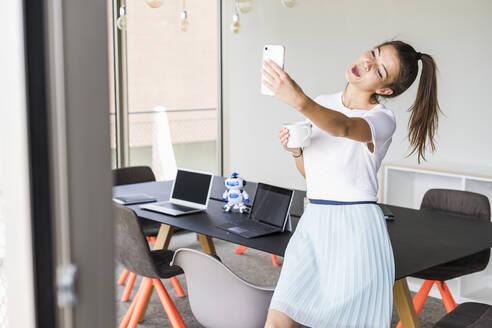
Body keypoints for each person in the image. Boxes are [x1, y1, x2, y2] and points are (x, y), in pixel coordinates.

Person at [262, 40, 442, 327]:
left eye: (380, 71)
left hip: (355, 231)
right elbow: (315, 176)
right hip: (315, 222)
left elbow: (344, 127)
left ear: (384, 90)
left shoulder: (382, 119)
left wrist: (297, 99)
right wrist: (297, 151)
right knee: (279, 319)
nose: (369, 63)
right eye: (373, 54)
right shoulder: (322, 103)